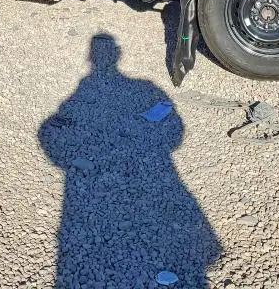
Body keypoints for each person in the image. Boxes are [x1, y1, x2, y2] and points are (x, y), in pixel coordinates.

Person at [38, 34, 222, 287]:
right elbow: (176, 131)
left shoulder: (87, 88)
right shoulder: (144, 88)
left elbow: (49, 133)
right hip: (159, 177)